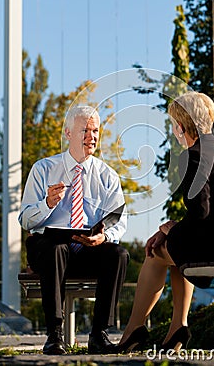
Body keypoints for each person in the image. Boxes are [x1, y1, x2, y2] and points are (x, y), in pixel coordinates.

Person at [116, 91, 214, 353]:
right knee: (177, 247)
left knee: (155, 252)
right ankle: (177, 328)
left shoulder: (193, 155)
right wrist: (172, 231)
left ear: (180, 126)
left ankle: (134, 330)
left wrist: (169, 229)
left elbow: (201, 213)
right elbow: (211, 212)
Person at [19, 105, 129, 355]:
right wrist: (46, 204)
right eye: (85, 130)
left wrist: (105, 236)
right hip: (49, 252)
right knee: (55, 247)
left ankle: (99, 335)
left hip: (88, 251)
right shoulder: (43, 169)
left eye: (95, 130)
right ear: (68, 133)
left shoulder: (107, 175)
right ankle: (54, 335)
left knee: (118, 254)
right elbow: (25, 220)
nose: (91, 136)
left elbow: (119, 221)